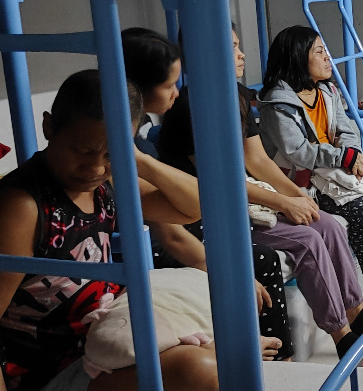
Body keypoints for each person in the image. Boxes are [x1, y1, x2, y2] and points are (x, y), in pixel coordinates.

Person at [0, 70, 268, 391]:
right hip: (49, 370)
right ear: (48, 127)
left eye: (110, 153)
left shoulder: (106, 183)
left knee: (230, 343)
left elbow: (195, 207)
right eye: (83, 151)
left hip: (106, 339)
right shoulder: (22, 207)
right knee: (203, 371)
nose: (95, 168)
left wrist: (137, 159)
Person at [157, 26, 363, 358]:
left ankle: (355, 310)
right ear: (206, 55)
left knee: (328, 225)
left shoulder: (237, 94)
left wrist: (296, 197)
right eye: (233, 47)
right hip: (211, 212)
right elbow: (219, 182)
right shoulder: (193, 107)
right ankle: (342, 335)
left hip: (240, 197)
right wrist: (282, 203)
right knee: (307, 240)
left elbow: (258, 160)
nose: (242, 54)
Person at [123, 27, 295, 361]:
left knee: (262, 246)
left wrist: (294, 196)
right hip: (159, 246)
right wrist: (231, 274)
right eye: (169, 84)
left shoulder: (140, 144)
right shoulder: (180, 115)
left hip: (183, 225)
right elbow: (173, 232)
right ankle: (268, 356)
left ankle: (278, 354)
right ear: (138, 88)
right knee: (258, 257)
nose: (175, 92)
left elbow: (197, 203)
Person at [258, 25, 363, 301]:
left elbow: (345, 130)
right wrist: (343, 157)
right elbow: (298, 152)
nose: (328, 57)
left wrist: (351, 154)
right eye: (319, 52)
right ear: (298, 57)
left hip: (334, 170)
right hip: (302, 182)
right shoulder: (277, 104)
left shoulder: (327, 91)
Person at [121, 27, 181, 157]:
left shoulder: (141, 125)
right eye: (169, 86)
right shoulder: (121, 145)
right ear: (139, 85)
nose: (176, 93)